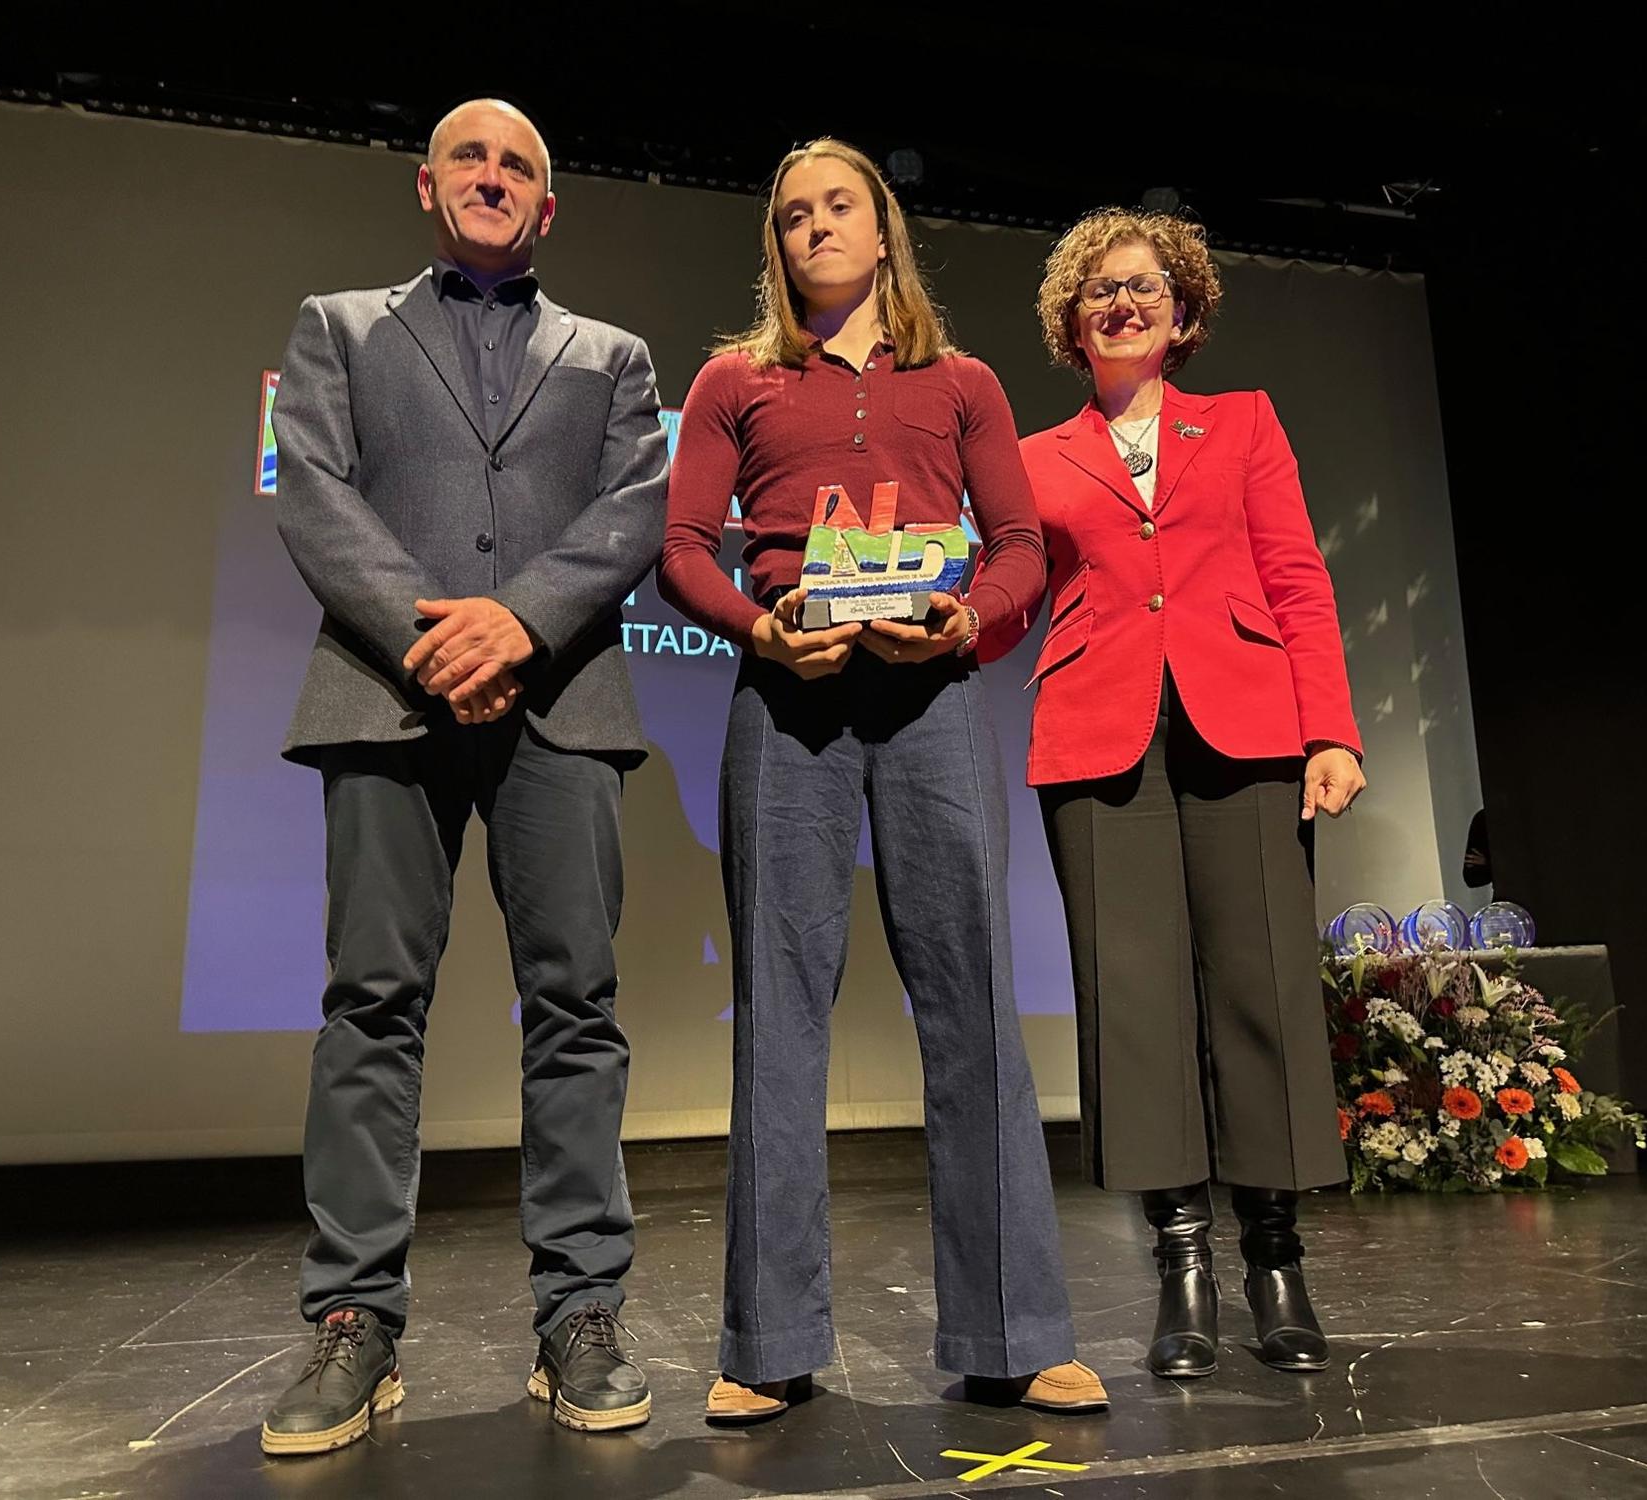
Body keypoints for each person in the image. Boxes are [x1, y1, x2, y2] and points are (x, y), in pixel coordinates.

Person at [658, 139, 1105, 1424]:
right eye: (791, 216)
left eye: (836, 205)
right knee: (780, 1009)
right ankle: (766, 1341)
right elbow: (682, 546)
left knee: (972, 1001)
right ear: (775, 246)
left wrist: (967, 621)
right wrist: (758, 629)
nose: (813, 228)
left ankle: (1017, 1332)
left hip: (930, 695)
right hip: (787, 695)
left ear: (882, 225)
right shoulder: (732, 382)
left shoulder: (961, 383)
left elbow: (1018, 544)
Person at [258, 99, 667, 1453]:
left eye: (523, 168)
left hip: (561, 701)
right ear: (428, 187)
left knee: (576, 1010)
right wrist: (438, 637)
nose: (495, 178)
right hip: (385, 693)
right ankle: (353, 1323)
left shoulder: (613, 355)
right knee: (369, 1005)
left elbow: (633, 515)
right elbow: (311, 490)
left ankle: (580, 1314)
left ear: (547, 210)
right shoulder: (337, 326)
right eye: (472, 160)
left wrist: (522, 623)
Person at [982, 208, 1365, 1382]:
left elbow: (1295, 576)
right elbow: (1009, 591)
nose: (1121, 302)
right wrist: (933, 616)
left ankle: (1276, 1261)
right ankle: (1181, 1270)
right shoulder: (1038, 457)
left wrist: (1328, 731)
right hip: (1098, 745)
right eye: (1098, 288)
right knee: (1135, 1008)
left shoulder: (1242, 425)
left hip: (1243, 732)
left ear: (1182, 311)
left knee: (1261, 996)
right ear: (1071, 319)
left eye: (1143, 286)